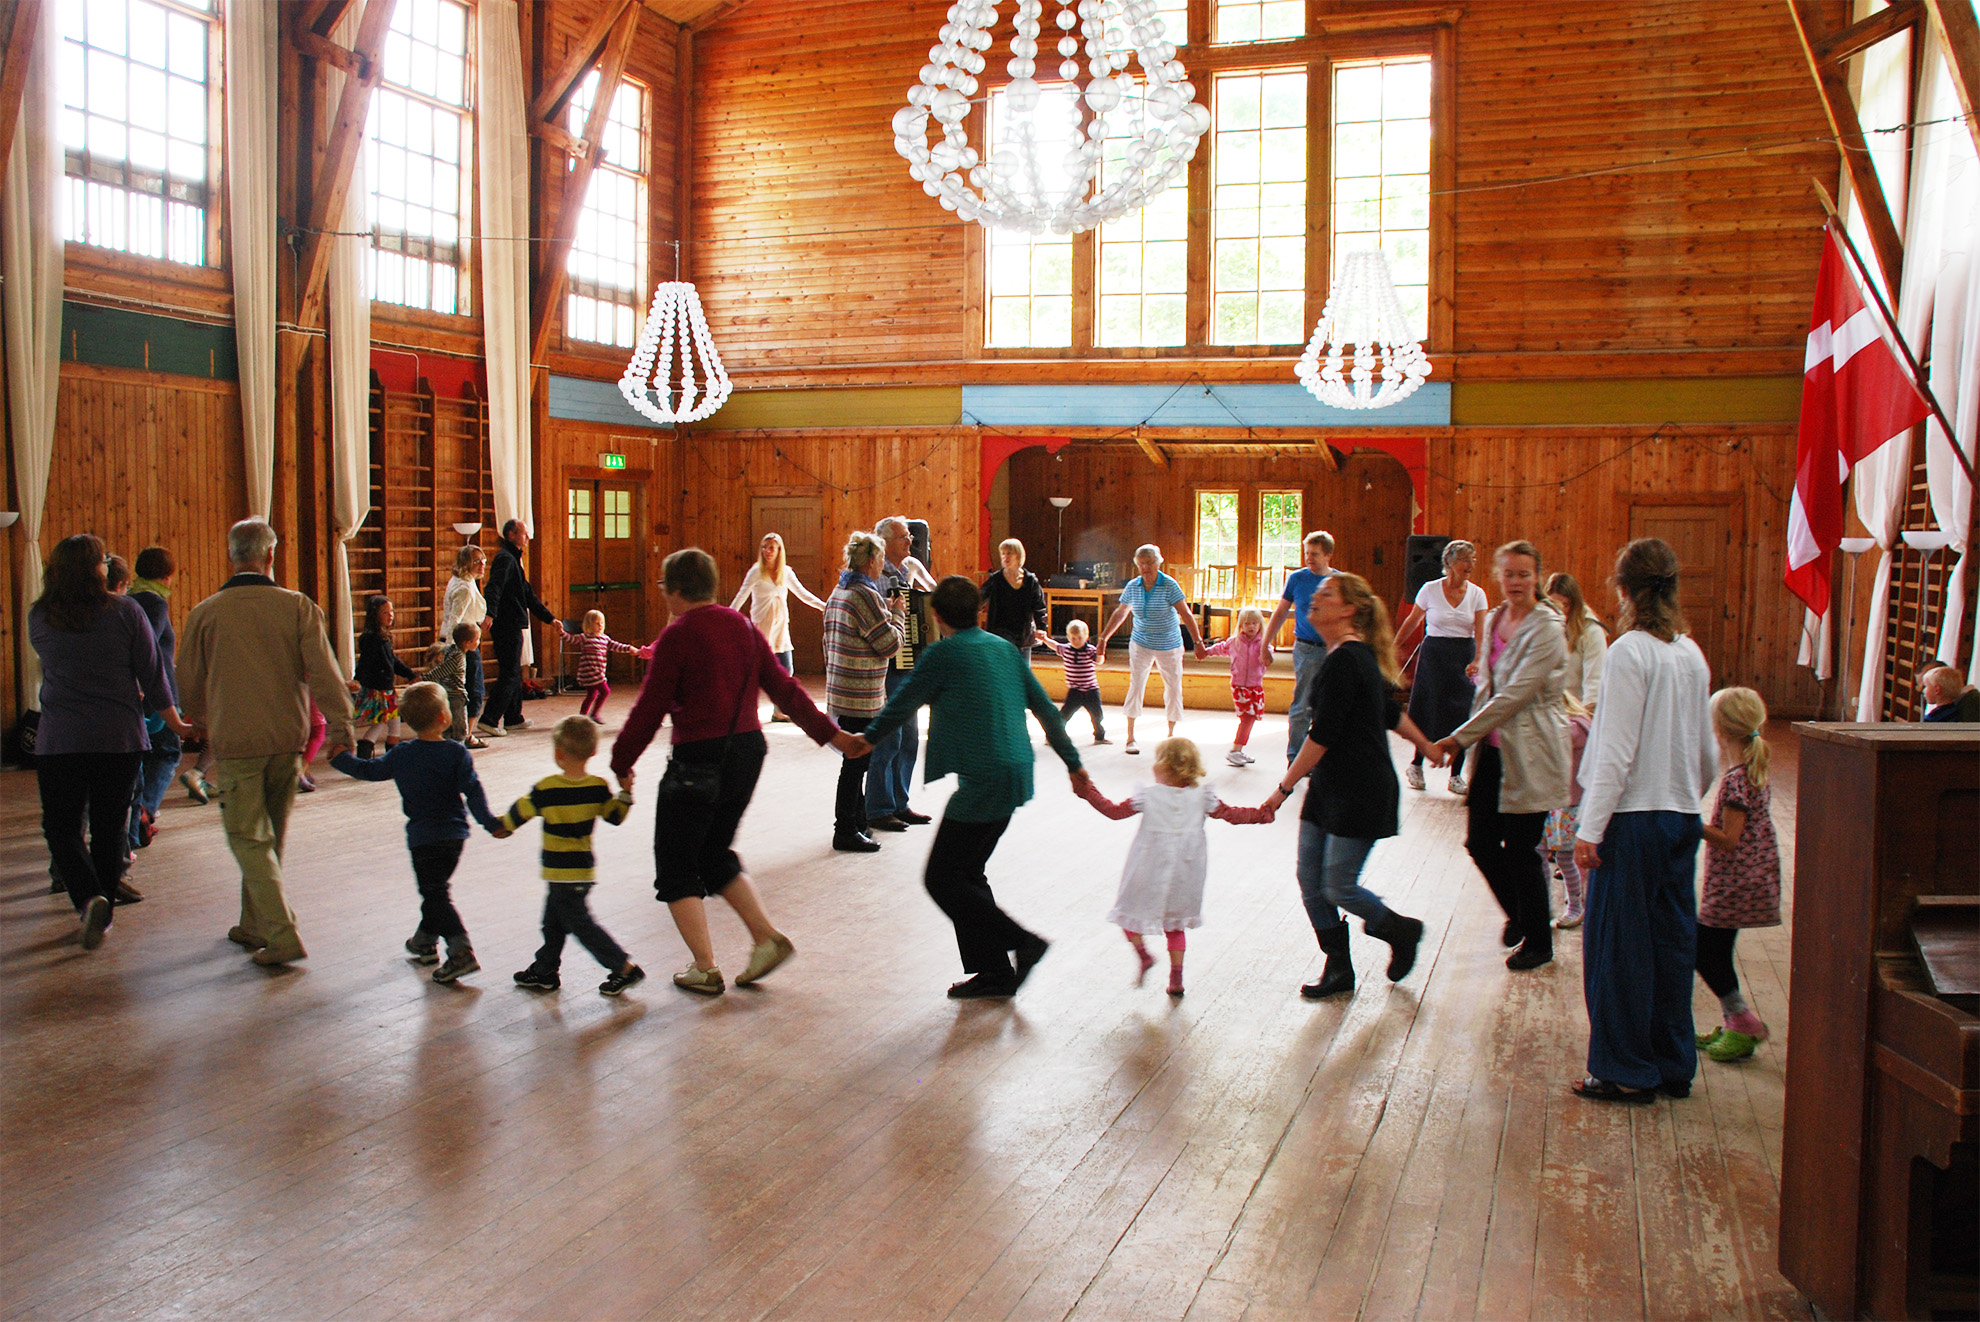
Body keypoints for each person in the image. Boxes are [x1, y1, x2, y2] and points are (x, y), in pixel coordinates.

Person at [611, 548, 864, 996]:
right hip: (747, 753)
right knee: (714, 854)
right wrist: (835, 738)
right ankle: (765, 938)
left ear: (676, 589)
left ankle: (705, 967)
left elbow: (649, 709)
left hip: (697, 761)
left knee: (675, 866)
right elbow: (786, 691)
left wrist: (621, 762)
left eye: (664, 587)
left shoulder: (678, 636)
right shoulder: (743, 627)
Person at [851, 575, 1093, 999]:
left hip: (985, 780)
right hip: (1017, 771)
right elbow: (1045, 711)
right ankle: (995, 971)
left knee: (941, 879)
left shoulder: (942, 654)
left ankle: (1024, 941)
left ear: (937, 616)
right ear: (980, 610)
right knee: (967, 873)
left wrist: (865, 741)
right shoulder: (1005, 649)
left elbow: (902, 702)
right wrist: (1074, 764)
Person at [1570, 537, 1718, 1104]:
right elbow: (1705, 753)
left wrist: (1591, 826)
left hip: (1631, 823)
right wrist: (1684, 797)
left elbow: (1615, 750)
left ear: (1624, 589)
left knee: (1618, 948)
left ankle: (1625, 1069)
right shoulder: (1690, 654)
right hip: (1681, 817)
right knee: (1671, 947)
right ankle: (1671, 1062)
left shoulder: (1630, 651)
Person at [178, 518, 355, 966]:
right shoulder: (297, 607)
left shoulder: (206, 612)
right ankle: (253, 923)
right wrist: (341, 728)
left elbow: (188, 684)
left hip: (237, 740)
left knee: (247, 839)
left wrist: (201, 717)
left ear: (232, 555)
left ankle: (281, 932)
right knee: (270, 838)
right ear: (271, 555)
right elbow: (325, 671)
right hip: (288, 737)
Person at [1264, 573, 1435, 1000]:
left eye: (1326, 595)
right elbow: (1389, 713)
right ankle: (1339, 967)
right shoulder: (1345, 656)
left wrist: (1281, 791)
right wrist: (1427, 746)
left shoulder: (1347, 659)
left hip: (1361, 790)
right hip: (1330, 787)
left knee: (1338, 885)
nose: (1314, 599)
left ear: (1348, 610)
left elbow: (1321, 736)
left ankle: (1400, 929)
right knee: (1310, 878)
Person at [29, 534, 185, 949]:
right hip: (118, 737)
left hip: (61, 739)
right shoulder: (126, 612)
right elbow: (152, 676)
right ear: (97, 569)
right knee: (109, 827)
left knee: (60, 827)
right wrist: (177, 723)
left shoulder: (40, 615)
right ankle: (104, 907)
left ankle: (87, 899)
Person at [1435, 540, 1571, 972]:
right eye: (1508, 573)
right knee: (1480, 842)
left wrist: (1456, 739)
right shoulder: (1495, 618)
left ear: (1537, 577)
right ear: (1498, 575)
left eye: (1524, 574)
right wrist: (1471, 739)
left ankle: (1538, 942)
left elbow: (1516, 695)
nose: (1515, 582)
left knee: (1521, 849)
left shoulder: (1548, 627)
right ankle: (1524, 915)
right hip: (1493, 751)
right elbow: (1489, 688)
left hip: (1532, 752)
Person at [330, 681, 503, 984]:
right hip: (454, 837)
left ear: (407, 720)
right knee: (435, 890)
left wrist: (341, 758)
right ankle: (424, 941)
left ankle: (461, 951)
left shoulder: (402, 755)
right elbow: (473, 792)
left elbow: (369, 771)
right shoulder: (456, 753)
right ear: (444, 718)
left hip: (424, 839)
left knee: (434, 892)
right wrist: (491, 823)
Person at [1076, 737, 1274, 997]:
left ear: (1164, 766)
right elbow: (1233, 815)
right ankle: (1176, 978)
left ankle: (1144, 955)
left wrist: (1087, 788)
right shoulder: (1203, 797)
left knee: (1127, 913)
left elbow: (1113, 811)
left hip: (1147, 868)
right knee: (1175, 926)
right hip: (1186, 871)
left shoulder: (1148, 796)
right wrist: (1262, 814)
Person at [500, 715, 645, 996]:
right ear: (593, 751)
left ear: (558, 753)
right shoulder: (598, 787)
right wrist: (626, 792)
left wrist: (501, 827)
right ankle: (545, 970)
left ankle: (623, 968)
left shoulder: (547, 788)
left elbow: (521, 811)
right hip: (580, 871)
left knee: (580, 925)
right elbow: (615, 816)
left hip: (559, 871)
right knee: (553, 923)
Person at [1694, 686, 1781, 1064]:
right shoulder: (1751, 769)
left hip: (1735, 882)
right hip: (1748, 878)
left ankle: (1742, 1019)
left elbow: (1729, 840)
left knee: (1703, 950)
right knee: (1717, 950)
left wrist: (1687, 822)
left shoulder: (1735, 780)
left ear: (1719, 728)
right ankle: (1733, 1022)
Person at [824, 531, 905, 852]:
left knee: (856, 761)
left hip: (842, 689)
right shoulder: (865, 595)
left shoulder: (841, 590)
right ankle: (844, 829)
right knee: (856, 763)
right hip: (861, 693)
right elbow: (889, 644)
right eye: (881, 559)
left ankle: (858, 822)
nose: (883, 564)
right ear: (871, 561)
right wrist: (897, 613)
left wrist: (883, 609)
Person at [865, 516, 939, 829]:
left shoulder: (907, 569)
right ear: (883, 542)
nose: (910, 543)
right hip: (883, 666)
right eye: (903, 538)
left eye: (910, 536)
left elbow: (932, 595)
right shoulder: (873, 575)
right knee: (888, 739)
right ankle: (879, 808)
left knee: (909, 739)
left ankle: (900, 802)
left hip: (907, 662)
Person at [1098, 544, 1206, 755]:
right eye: (1141, 564)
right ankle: (1130, 737)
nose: (1145, 567)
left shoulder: (1169, 585)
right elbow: (1121, 613)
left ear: (1158, 563)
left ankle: (1172, 735)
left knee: (1173, 687)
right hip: (1141, 643)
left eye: (1149, 563)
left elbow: (1186, 614)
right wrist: (1103, 638)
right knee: (1136, 685)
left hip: (1169, 644)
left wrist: (1198, 642)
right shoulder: (1133, 586)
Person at [1399, 539, 1487, 793]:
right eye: (1464, 559)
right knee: (1427, 709)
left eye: (1473, 559)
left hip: (1463, 657)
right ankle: (1416, 764)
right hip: (1434, 655)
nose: (1470, 564)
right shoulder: (1429, 589)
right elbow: (1413, 622)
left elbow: (1480, 632)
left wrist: (1478, 659)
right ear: (1449, 563)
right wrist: (1393, 645)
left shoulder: (1477, 594)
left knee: (1461, 713)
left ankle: (1456, 774)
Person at [731, 531, 827, 719]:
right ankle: (742, 710)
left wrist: (824, 606)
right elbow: (741, 596)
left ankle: (779, 710)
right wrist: (726, 616)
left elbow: (803, 594)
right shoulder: (756, 572)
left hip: (780, 626)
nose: (768, 551)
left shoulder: (787, 572)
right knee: (754, 671)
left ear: (779, 550)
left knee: (786, 668)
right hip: (762, 626)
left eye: (772, 548)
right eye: (765, 547)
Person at [127, 546, 184, 867]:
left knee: (141, 757)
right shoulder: (154, 602)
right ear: (168, 575)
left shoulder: (129, 598)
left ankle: (137, 818)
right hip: (155, 694)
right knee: (167, 753)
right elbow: (146, 650)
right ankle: (143, 813)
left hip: (142, 693)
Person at [478, 520, 559, 739]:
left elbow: (527, 595)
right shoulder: (505, 559)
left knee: (514, 671)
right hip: (505, 624)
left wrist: (550, 619)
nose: (527, 537)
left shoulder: (514, 559)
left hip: (512, 623)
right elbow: (493, 587)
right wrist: (490, 614)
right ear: (511, 534)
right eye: (524, 533)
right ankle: (489, 719)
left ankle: (513, 718)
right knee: (510, 673)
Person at [1263, 531, 1337, 764]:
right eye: (1306, 553)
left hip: (1333, 648)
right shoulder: (1297, 579)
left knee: (1329, 704)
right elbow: (1282, 611)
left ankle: (1323, 757)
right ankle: (1296, 757)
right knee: (1303, 703)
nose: (1309, 558)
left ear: (1328, 555)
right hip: (1306, 648)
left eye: (1314, 554)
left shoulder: (1339, 581)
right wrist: (1266, 642)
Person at [1543, 694, 1595, 929]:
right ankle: (1543, 904)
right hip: (1554, 802)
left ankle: (1576, 905)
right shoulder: (1577, 725)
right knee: (1539, 852)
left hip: (1568, 804)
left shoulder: (1572, 729)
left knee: (1564, 856)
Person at [1202, 606, 1274, 767]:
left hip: (1255, 686)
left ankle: (1238, 750)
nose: (1251, 627)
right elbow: (1219, 648)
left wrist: (1266, 652)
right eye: (1247, 623)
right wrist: (1205, 652)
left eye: (1255, 623)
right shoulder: (1234, 642)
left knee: (1251, 717)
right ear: (1241, 625)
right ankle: (1235, 750)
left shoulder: (1263, 643)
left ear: (1260, 625)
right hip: (1239, 686)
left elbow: (1268, 657)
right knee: (1247, 718)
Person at [353, 594, 416, 759]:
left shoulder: (383, 636)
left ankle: (369, 751)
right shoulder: (371, 638)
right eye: (385, 613)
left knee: (385, 722)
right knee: (390, 723)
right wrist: (357, 679)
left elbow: (392, 661)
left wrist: (409, 674)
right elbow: (366, 663)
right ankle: (387, 756)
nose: (390, 616)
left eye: (391, 612)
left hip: (385, 688)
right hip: (380, 689)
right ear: (375, 615)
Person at [439, 544, 490, 747]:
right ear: (466, 563)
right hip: (463, 646)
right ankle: (466, 734)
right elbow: (454, 621)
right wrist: (454, 652)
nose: (482, 565)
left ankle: (462, 733)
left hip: (462, 644)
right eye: (476, 561)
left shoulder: (462, 581)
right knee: (473, 691)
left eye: (483, 560)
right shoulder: (463, 588)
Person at [1034, 618, 1108, 744]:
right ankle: (1053, 736)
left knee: (1097, 716)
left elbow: (1099, 661)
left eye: (1079, 638)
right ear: (1068, 637)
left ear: (1085, 637)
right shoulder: (1066, 649)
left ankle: (1100, 737)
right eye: (1073, 638)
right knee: (1064, 715)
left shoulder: (1090, 650)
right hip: (1075, 691)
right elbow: (1055, 646)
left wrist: (1101, 653)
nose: (1076, 641)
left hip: (1091, 690)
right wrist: (1045, 639)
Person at [566, 609, 645, 724]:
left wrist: (629, 648)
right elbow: (570, 639)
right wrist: (561, 632)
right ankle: (592, 715)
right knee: (605, 691)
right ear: (589, 624)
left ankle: (582, 717)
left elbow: (616, 646)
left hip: (599, 671)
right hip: (590, 673)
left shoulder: (604, 638)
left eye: (601, 623)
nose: (600, 625)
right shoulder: (584, 637)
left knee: (591, 695)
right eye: (597, 623)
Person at [1546, 571, 1608, 708]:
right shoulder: (1542, 627)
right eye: (1554, 605)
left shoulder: (1591, 632)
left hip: (1576, 712)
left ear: (1574, 605)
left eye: (1565, 605)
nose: (1560, 611)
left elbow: (1594, 684)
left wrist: (1585, 719)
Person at [981, 538, 1048, 651]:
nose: (1005, 557)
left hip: (1023, 633)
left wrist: (1041, 628)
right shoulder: (995, 579)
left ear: (1018, 555)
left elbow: (1039, 606)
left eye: (1009, 553)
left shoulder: (1030, 580)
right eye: (1003, 553)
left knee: (1023, 667)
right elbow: (979, 599)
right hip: (1000, 632)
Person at [424, 622, 480, 743]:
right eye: (477, 640)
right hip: (455, 696)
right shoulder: (457, 656)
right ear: (467, 643)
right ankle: (458, 751)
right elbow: (442, 670)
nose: (478, 642)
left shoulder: (450, 650)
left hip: (446, 695)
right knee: (459, 729)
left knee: (448, 728)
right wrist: (425, 678)